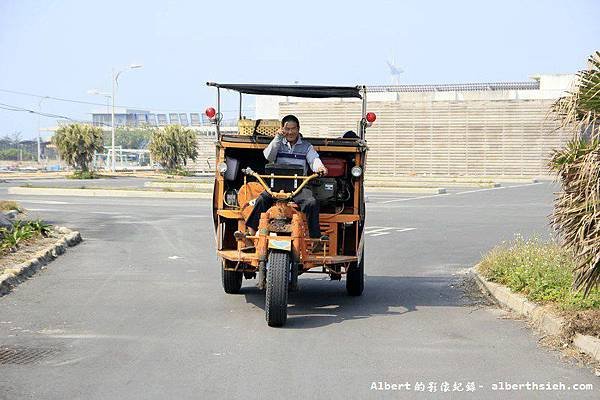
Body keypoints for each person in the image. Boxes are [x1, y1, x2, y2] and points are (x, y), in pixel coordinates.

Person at [241, 114, 328, 252]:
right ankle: (249, 236)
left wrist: (320, 168)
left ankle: (315, 240)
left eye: (293, 129)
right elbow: (268, 156)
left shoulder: (307, 147)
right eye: (287, 129)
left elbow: (314, 160)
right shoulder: (278, 143)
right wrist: (277, 138)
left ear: (298, 129)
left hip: (298, 187)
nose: (290, 132)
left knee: (311, 202)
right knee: (261, 200)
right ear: (282, 129)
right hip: (276, 187)